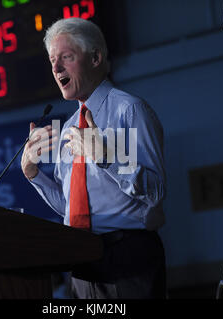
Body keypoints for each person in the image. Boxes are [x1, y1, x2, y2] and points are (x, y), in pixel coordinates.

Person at [21, 17, 167, 298]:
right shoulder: (70, 126)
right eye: (52, 60)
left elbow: (156, 192)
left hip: (128, 260)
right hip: (81, 265)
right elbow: (70, 208)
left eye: (66, 57)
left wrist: (107, 157)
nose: (56, 68)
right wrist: (33, 174)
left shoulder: (130, 110)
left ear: (96, 57)